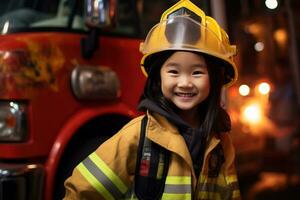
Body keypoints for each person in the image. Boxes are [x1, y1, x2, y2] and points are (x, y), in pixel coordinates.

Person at [63, 0, 240, 199]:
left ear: (215, 79)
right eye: (173, 71)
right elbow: (81, 192)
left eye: (197, 72)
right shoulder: (137, 136)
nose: (184, 82)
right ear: (158, 77)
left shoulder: (221, 143)